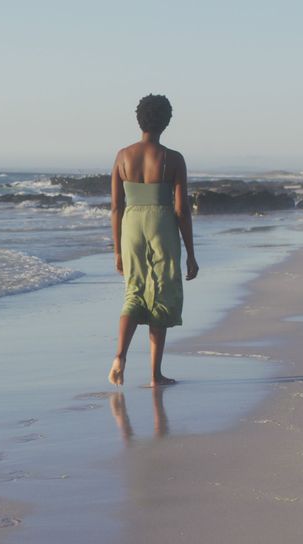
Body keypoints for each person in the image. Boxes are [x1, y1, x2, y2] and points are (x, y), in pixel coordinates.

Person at [108, 94, 199, 387]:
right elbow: (181, 209)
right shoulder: (173, 159)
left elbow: (115, 207)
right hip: (161, 223)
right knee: (161, 294)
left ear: (139, 119)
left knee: (133, 292)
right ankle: (155, 374)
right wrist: (191, 253)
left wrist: (117, 250)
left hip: (130, 225)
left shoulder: (122, 156)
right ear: (167, 121)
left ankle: (120, 356)